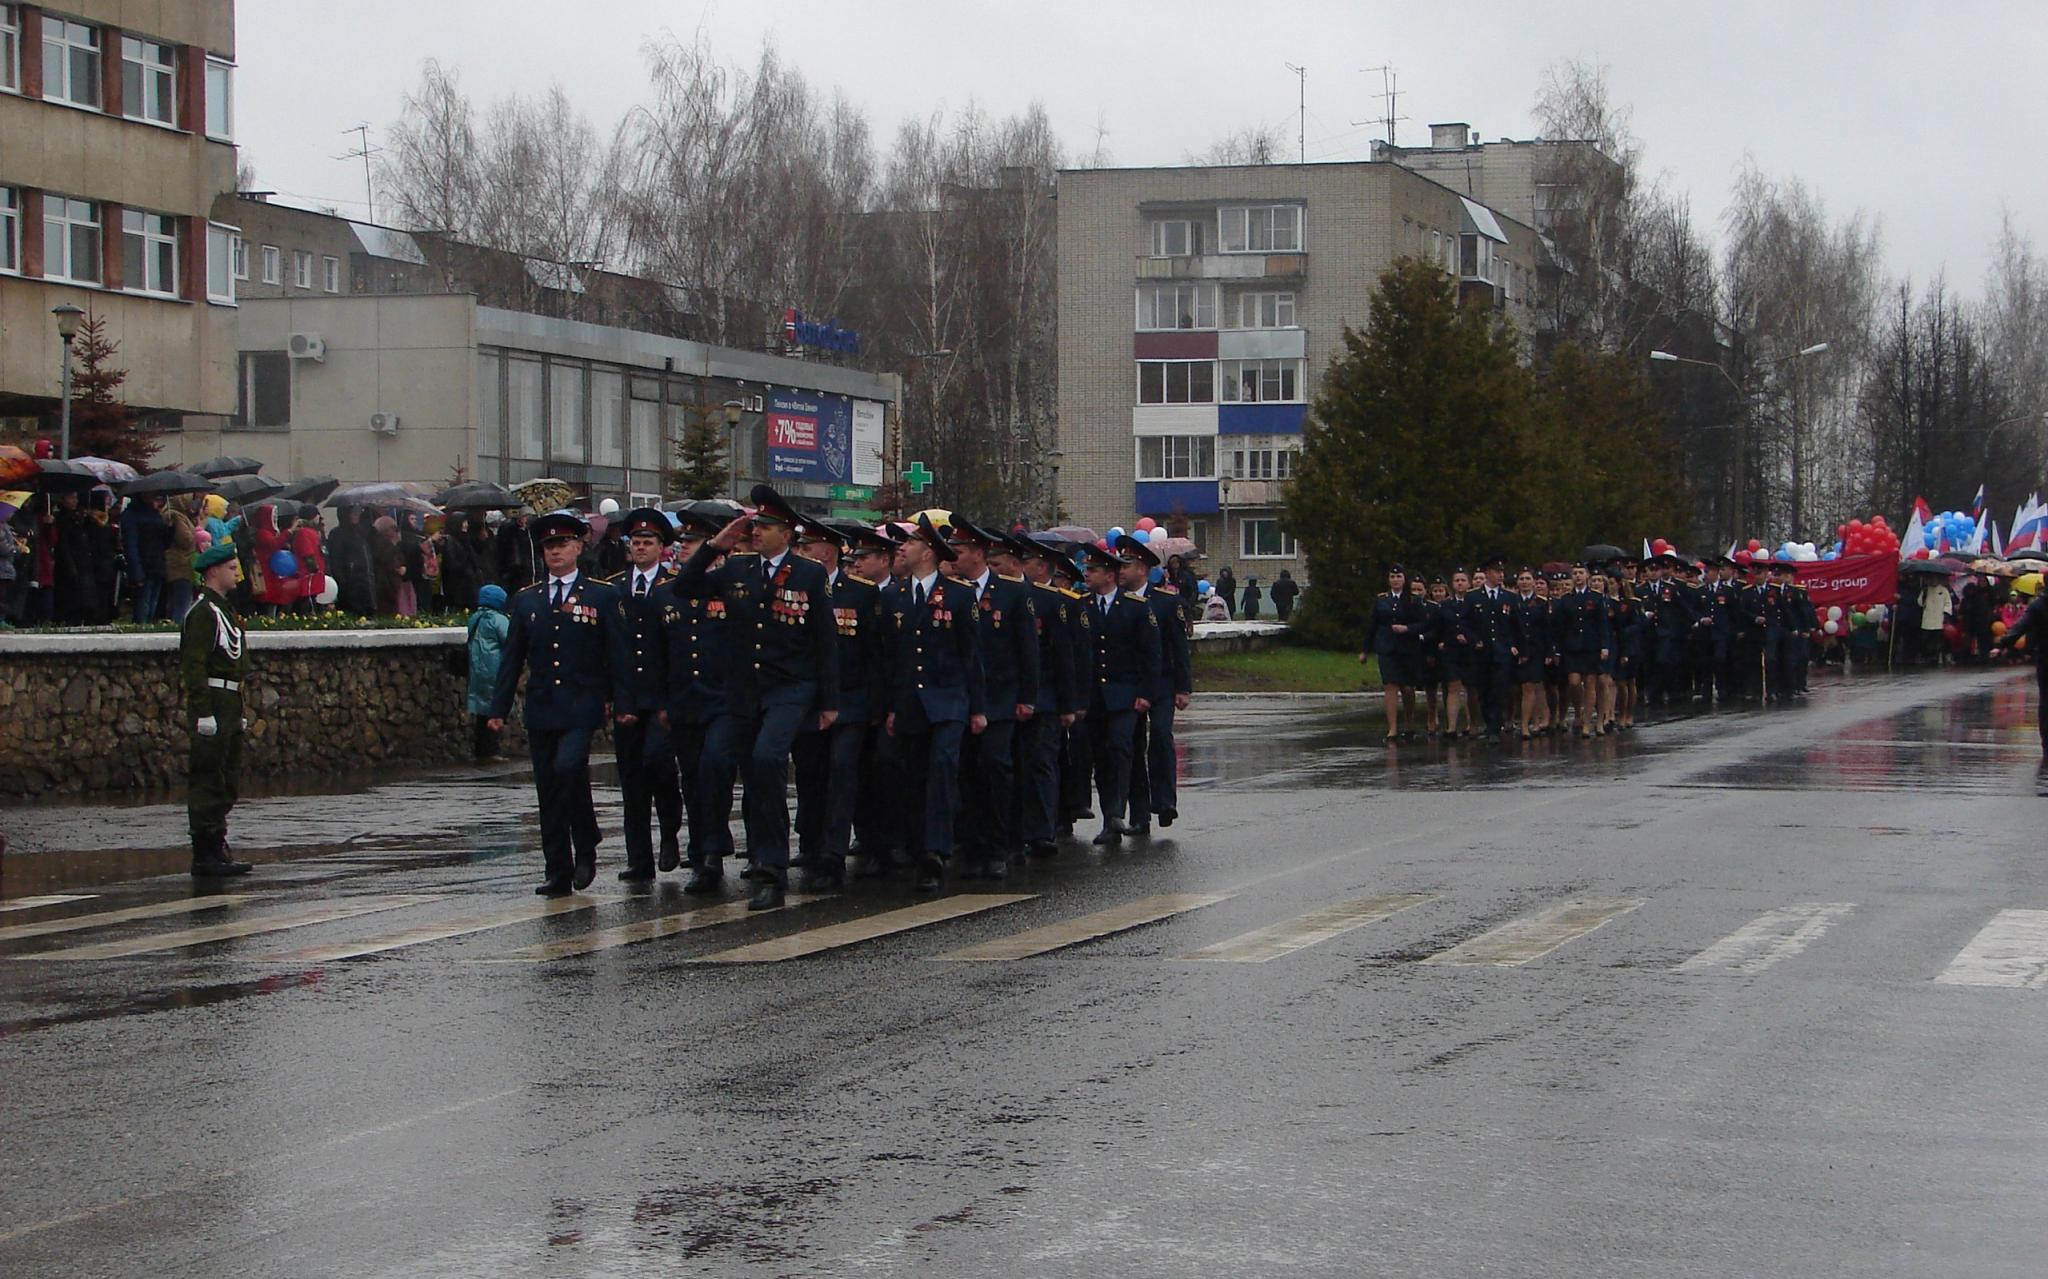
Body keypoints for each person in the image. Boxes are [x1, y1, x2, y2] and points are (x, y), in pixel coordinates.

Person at [672, 485, 839, 910]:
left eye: (766, 526)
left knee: (767, 760)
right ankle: (724, 855)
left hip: (790, 687)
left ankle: (771, 869)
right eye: (755, 526)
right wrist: (714, 547)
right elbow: (685, 588)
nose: (758, 532)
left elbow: (825, 640)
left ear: (787, 532)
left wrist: (828, 700)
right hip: (744, 689)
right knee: (721, 763)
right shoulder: (737, 569)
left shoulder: (809, 574)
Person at [487, 510, 630, 896]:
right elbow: (511, 659)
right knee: (548, 788)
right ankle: (558, 869)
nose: (555, 551)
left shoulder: (601, 594)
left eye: (562, 544)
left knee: (570, 769)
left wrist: (622, 700)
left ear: (579, 546)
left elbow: (617, 654)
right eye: (549, 545)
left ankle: (586, 841)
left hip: (582, 703)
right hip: (543, 705)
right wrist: (497, 709)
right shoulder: (527, 600)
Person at [880, 513, 983, 890]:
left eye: (908, 543)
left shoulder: (958, 595)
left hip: (948, 702)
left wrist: (978, 708)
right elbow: (890, 658)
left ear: (927, 552)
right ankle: (916, 842)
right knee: (913, 776)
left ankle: (935, 852)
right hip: (909, 704)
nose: (901, 549)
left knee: (942, 771)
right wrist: (891, 706)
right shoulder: (893, 596)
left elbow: (971, 656)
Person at [790, 519, 887, 892]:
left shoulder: (859, 594)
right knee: (811, 775)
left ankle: (833, 855)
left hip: (851, 700)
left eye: (807, 546)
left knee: (844, 773)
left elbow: (874, 654)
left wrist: (876, 706)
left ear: (827, 551)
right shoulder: (794, 589)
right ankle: (813, 846)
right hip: (809, 701)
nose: (801, 553)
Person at [654, 507, 736, 893]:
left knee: (716, 767)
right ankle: (704, 847)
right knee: (692, 779)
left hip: (724, 699)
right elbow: (659, 655)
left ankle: (712, 851)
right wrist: (662, 702)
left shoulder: (731, 585)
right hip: (685, 700)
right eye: (683, 542)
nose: (684, 547)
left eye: (692, 542)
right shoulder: (670, 592)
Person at [605, 507, 684, 883]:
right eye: (635, 542)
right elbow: (610, 648)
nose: (640, 547)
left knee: (660, 766)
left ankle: (670, 833)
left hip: (662, 697)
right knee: (632, 778)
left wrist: (671, 699)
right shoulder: (614, 589)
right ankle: (639, 858)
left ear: (662, 548)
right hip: (627, 697)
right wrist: (617, 698)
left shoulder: (673, 585)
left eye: (647, 542)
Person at [1078, 540, 1160, 848]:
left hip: (1126, 695)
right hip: (1094, 697)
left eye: (1093, 569)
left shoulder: (1137, 607)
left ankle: (1116, 815)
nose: (1087, 574)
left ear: (1109, 574)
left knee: (1122, 749)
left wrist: (1146, 694)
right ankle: (1112, 814)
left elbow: (1151, 654)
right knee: (1101, 756)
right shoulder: (1083, 606)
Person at [184, 542, 253, 877]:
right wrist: (203, 712)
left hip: (228, 700)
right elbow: (194, 665)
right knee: (208, 777)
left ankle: (218, 842)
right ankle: (205, 851)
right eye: (230, 568)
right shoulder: (202, 613)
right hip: (212, 700)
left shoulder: (223, 609)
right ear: (213, 571)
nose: (235, 572)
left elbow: (237, 664)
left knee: (227, 776)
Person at [1012, 532, 1082, 861]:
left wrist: (1068, 704)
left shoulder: (1055, 601)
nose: (1020, 566)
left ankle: (1042, 830)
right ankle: (1020, 829)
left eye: (1026, 561)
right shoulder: (1012, 595)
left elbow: (1064, 657)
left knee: (1042, 763)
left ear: (1042, 566)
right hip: (1015, 697)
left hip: (1048, 698)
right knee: (1018, 764)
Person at [1118, 533, 1189, 834]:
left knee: (1160, 736)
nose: (1120, 570)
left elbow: (1179, 646)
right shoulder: (1117, 603)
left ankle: (1164, 801)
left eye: (1126, 564)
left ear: (1143, 569)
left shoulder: (1166, 602)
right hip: (1131, 684)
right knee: (1132, 746)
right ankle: (1139, 814)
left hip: (1161, 683)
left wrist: (1183, 687)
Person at [1462, 557, 1522, 740]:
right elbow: (1464, 623)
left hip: (1501, 652)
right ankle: (1489, 722)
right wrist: (1474, 640)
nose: (1500, 575)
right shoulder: (1473, 597)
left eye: (1502, 572)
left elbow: (1515, 625)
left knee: (1499, 689)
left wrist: (1514, 646)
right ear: (1487, 573)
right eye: (1497, 571)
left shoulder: (1509, 597)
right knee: (1484, 690)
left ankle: (1495, 727)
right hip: (1482, 652)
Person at [1362, 564, 1424, 742]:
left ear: (1404, 579)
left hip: (1407, 648)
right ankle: (1392, 729)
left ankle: (1409, 723)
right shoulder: (1381, 600)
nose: (1395, 580)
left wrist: (1407, 628)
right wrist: (1365, 650)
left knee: (1407, 688)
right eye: (1392, 577)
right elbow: (1372, 625)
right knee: (1390, 686)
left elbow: (1423, 624)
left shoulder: (1413, 600)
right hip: (1387, 648)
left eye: (1399, 577)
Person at [1990, 576, 2048, 755]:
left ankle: (2046, 742)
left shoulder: (2038, 605)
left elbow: (2020, 627)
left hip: (2045, 657)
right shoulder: (2038, 606)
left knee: (2046, 701)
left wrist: (2001, 645)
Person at [466, 584, 511, 761]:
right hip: (495, 668)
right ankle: (492, 749)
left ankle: (480, 749)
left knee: (481, 711)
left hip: (476, 670)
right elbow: (510, 640)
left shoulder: (475, 618)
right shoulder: (498, 619)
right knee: (494, 709)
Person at [1512, 567, 1553, 738]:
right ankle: (1525, 723)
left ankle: (1531, 723)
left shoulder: (1542, 603)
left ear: (1534, 582)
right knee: (1525, 687)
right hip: (1519, 650)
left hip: (1536, 650)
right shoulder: (1512, 602)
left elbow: (1547, 629)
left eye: (1528, 579)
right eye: (1521, 579)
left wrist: (1549, 652)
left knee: (1533, 686)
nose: (1524, 582)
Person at [121, 492, 170, 622]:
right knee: (143, 607)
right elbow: (131, 545)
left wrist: (169, 530)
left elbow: (163, 543)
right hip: (144, 566)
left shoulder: (155, 514)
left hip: (157, 565)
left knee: (152, 606)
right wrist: (136, 572)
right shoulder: (132, 515)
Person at [328, 506, 376, 616]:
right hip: (349, 581)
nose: (357, 515)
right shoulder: (337, 534)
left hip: (364, 580)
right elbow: (336, 560)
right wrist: (342, 581)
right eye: (354, 513)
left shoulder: (359, 533)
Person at [162, 495, 198, 622]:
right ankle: (178, 627)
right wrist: (197, 533)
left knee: (176, 600)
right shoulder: (176, 516)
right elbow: (185, 540)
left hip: (177, 563)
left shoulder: (180, 515)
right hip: (180, 564)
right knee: (181, 602)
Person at [291, 505, 326, 615]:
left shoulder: (313, 532)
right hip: (308, 576)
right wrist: (315, 568)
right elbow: (307, 554)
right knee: (308, 605)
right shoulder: (303, 532)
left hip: (315, 576)